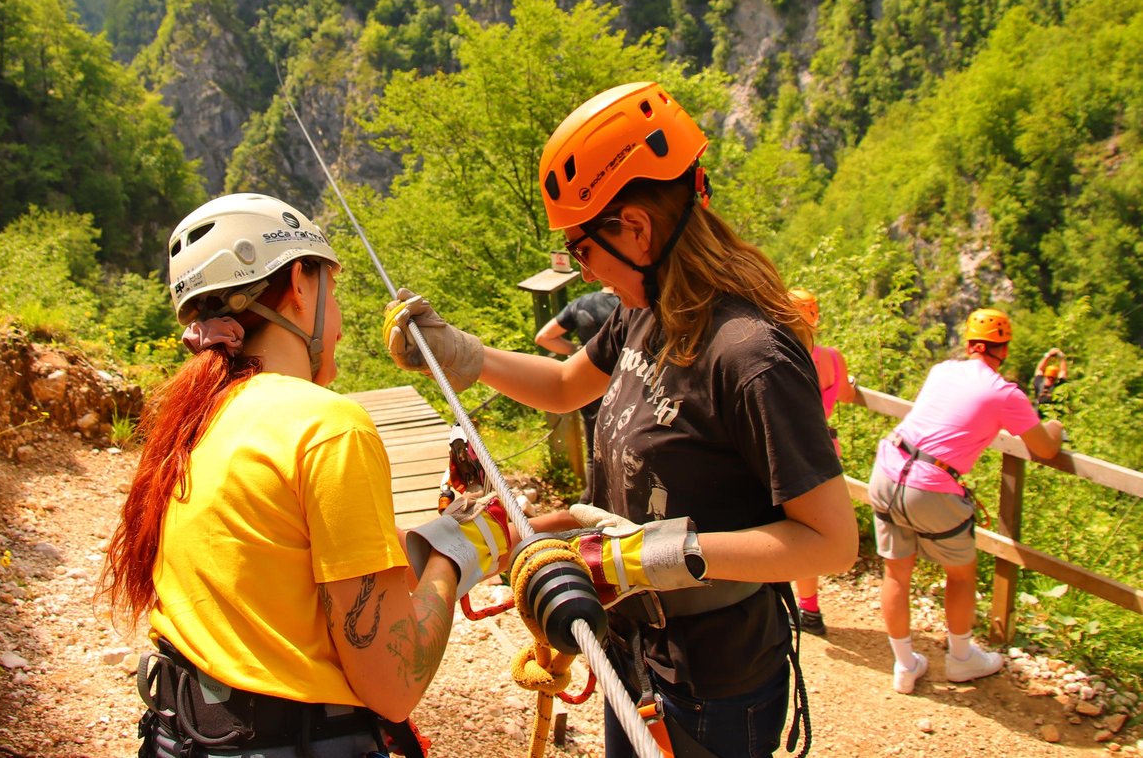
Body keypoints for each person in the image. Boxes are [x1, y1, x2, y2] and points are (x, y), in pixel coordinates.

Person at [383, 81, 858, 758]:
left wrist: (643, 557)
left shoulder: (749, 355)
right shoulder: (646, 309)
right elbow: (564, 385)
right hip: (634, 648)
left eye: (581, 249)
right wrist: (458, 355)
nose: (584, 270)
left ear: (633, 228)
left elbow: (831, 541)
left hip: (714, 683)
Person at [99, 193, 513, 758]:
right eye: (333, 292)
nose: (339, 324)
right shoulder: (329, 426)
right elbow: (395, 687)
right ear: (300, 284)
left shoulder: (193, 423)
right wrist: (460, 555)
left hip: (185, 737)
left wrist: (430, 540)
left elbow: (282, 567)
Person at [868, 307, 1064, 695]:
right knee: (960, 572)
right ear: (1003, 349)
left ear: (970, 344)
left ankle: (905, 666)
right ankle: (961, 659)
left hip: (889, 468)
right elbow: (1045, 448)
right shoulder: (1006, 393)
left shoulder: (942, 370)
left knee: (896, 573)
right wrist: (1053, 422)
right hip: (932, 486)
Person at [787, 288, 856, 637]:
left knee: (793, 530)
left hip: (789, 449)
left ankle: (804, 605)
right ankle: (809, 611)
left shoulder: (780, 355)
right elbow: (845, 392)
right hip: (826, 449)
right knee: (812, 528)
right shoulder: (832, 358)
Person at [534, 287, 619, 501]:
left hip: (589, 385)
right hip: (628, 379)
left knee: (594, 448)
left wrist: (578, 350)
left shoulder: (581, 304)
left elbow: (544, 337)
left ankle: (593, 499)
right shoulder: (633, 304)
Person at [1032, 347, 1068, 416]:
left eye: (1051, 378)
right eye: (1049, 377)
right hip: (1045, 417)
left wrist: (1048, 356)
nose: (1050, 379)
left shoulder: (1039, 383)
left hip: (1047, 417)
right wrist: (1060, 357)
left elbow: (1039, 369)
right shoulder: (1057, 386)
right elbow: (1063, 372)